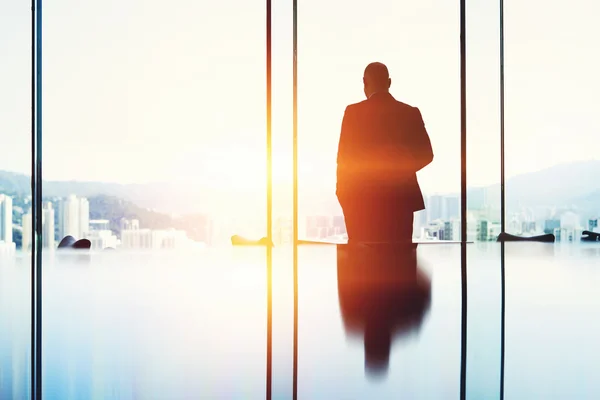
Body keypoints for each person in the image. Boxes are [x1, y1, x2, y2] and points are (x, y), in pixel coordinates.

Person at [336, 62, 434, 244]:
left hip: (361, 202)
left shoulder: (353, 112)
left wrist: (343, 193)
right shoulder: (410, 113)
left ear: (364, 82)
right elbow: (427, 154)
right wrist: (400, 168)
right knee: (399, 262)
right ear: (389, 82)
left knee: (364, 265)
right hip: (400, 202)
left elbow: (343, 159)